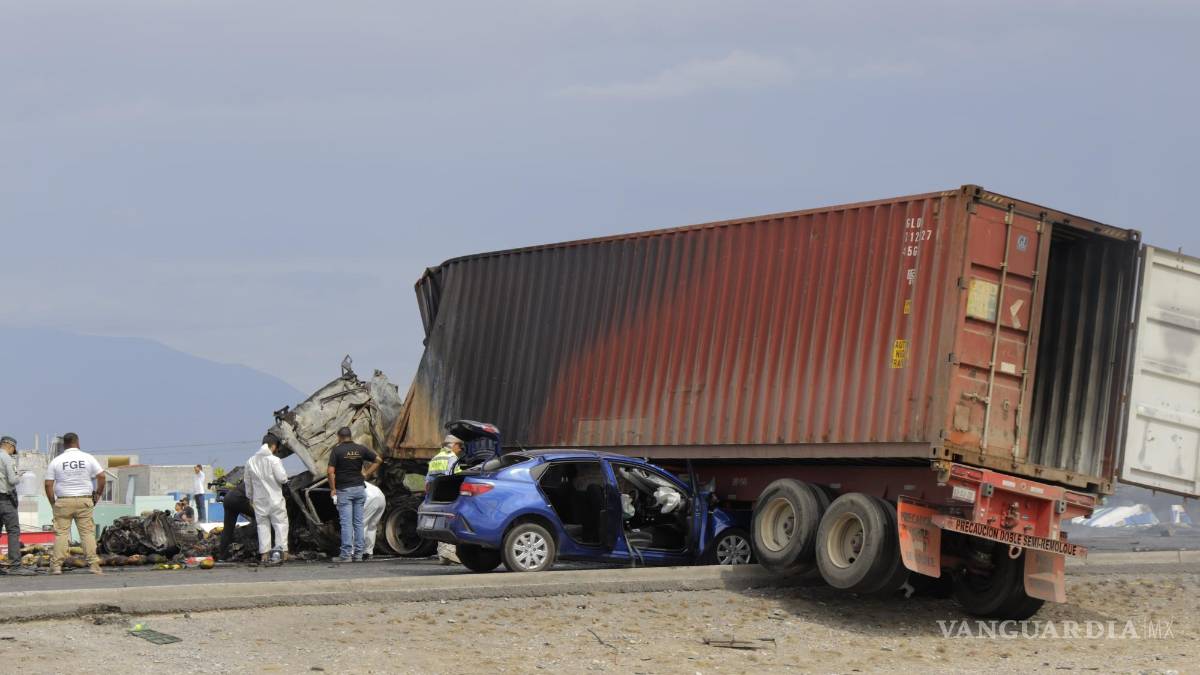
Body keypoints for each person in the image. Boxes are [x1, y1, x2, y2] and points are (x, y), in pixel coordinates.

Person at [44, 432, 104, 575]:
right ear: (78, 442)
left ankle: (57, 566)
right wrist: (98, 494)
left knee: (62, 534)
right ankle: (94, 565)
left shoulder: (56, 461)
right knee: (87, 533)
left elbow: (48, 484)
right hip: (84, 500)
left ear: (64, 444)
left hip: (63, 501)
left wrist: (53, 502)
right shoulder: (87, 458)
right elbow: (101, 476)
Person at [327, 426, 382, 562]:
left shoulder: (337, 450)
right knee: (358, 522)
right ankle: (358, 554)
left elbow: (330, 472)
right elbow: (379, 460)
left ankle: (345, 555)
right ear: (350, 436)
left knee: (346, 523)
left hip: (344, 490)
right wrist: (366, 473)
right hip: (359, 489)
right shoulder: (360, 449)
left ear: (339, 437)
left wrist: (333, 488)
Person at [244, 433, 290, 564]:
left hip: (259, 501)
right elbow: (282, 478)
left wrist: (250, 498)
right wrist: (286, 479)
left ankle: (264, 554)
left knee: (262, 526)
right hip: (275, 499)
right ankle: (282, 553)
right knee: (280, 525)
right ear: (273, 446)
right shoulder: (274, 460)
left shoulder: (250, 461)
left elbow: (248, 483)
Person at [425, 434, 465, 564]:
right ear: (452, 445)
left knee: (439, 523)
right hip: (447, 495)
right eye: (459, 446)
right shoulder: (452, 458)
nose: (460, 449)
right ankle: (448, 552)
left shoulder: (436, 457)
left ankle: (443, 555)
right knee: (449, 523)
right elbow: (453, 478)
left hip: (434, 495)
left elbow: (427, 480)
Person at [1, 435, 33, 575]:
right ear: (10, 446)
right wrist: (22, 476)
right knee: (13, 531)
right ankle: (15, 566)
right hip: (5, 500)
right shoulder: (7, 458)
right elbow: (13, 480)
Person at [217, 481, 255, 561]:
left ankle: (222, 557)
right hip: (239, 499)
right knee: (261, 518)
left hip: (228, 498)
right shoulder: (260, 481)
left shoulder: (249, 478)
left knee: (227, 530)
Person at [362, 481, 385, 561]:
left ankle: (354, 551)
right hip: (380, 496)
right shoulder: (355, 478)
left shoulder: (343, 481)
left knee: (361, 525)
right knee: (372, 526)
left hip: (370, 498)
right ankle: (368, 552)